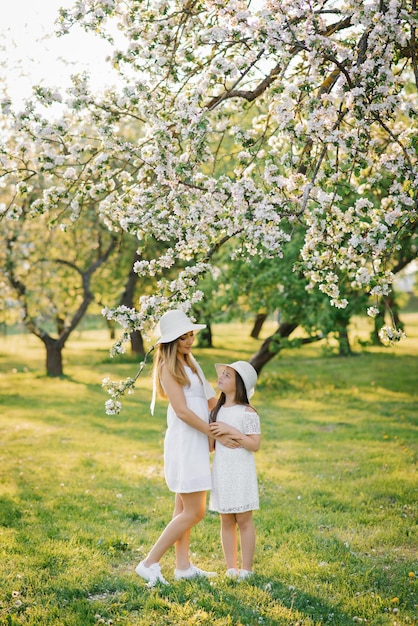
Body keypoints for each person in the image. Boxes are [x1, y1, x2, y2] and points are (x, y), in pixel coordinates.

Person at [135, 309, 235, 587]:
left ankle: (183, 567)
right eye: (184, 337)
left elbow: (210, 400)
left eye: (191, 335)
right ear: (171, 341)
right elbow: (181, 411)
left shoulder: (191, 362)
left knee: (182, 509)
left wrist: (229, 421)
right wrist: (210, 433)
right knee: (195, 511)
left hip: (198, 440)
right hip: (185, 442)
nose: (190, 341)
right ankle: (149, 563)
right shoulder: (168, 368)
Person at [208, 361, 261, 581]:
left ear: (239, 385)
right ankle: (231, 567)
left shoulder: (247, 412)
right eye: (222, 374)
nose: (221, 377)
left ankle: (246, 569)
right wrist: (218, 436)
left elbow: (254, 445)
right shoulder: (216, 411)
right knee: (226, 519)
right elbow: (211, 446)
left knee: (244, 519)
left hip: (242, 471)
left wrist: (232, 431)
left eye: (227, 375)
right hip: (223, 470)